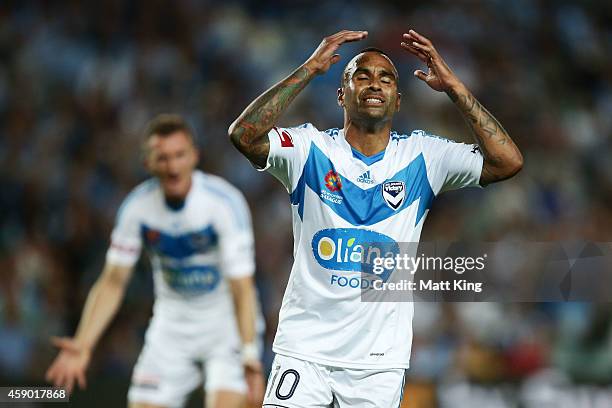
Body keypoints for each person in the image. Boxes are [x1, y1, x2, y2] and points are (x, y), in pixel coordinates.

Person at [228, 29, 523, 407]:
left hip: (378, 362)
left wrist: (453, 87)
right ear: (341, 94)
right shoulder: (309, 149)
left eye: (386, 79)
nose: (374, 84)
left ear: (397, 101)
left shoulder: (424, 157)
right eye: (361, 75)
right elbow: (244, 135)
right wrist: (308, 69)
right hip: (304, 349)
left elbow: (508, 162)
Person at [46, 114, 265, 408]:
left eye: (179, 155)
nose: (173, 167)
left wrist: (249, 352)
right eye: (162, 158)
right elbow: (113, 282)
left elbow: (242, 288)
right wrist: (84, 342)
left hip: (225, 327)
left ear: (194, 157)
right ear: (147, 163)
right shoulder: (137, 209)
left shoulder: (224, 203)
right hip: (171, 326)